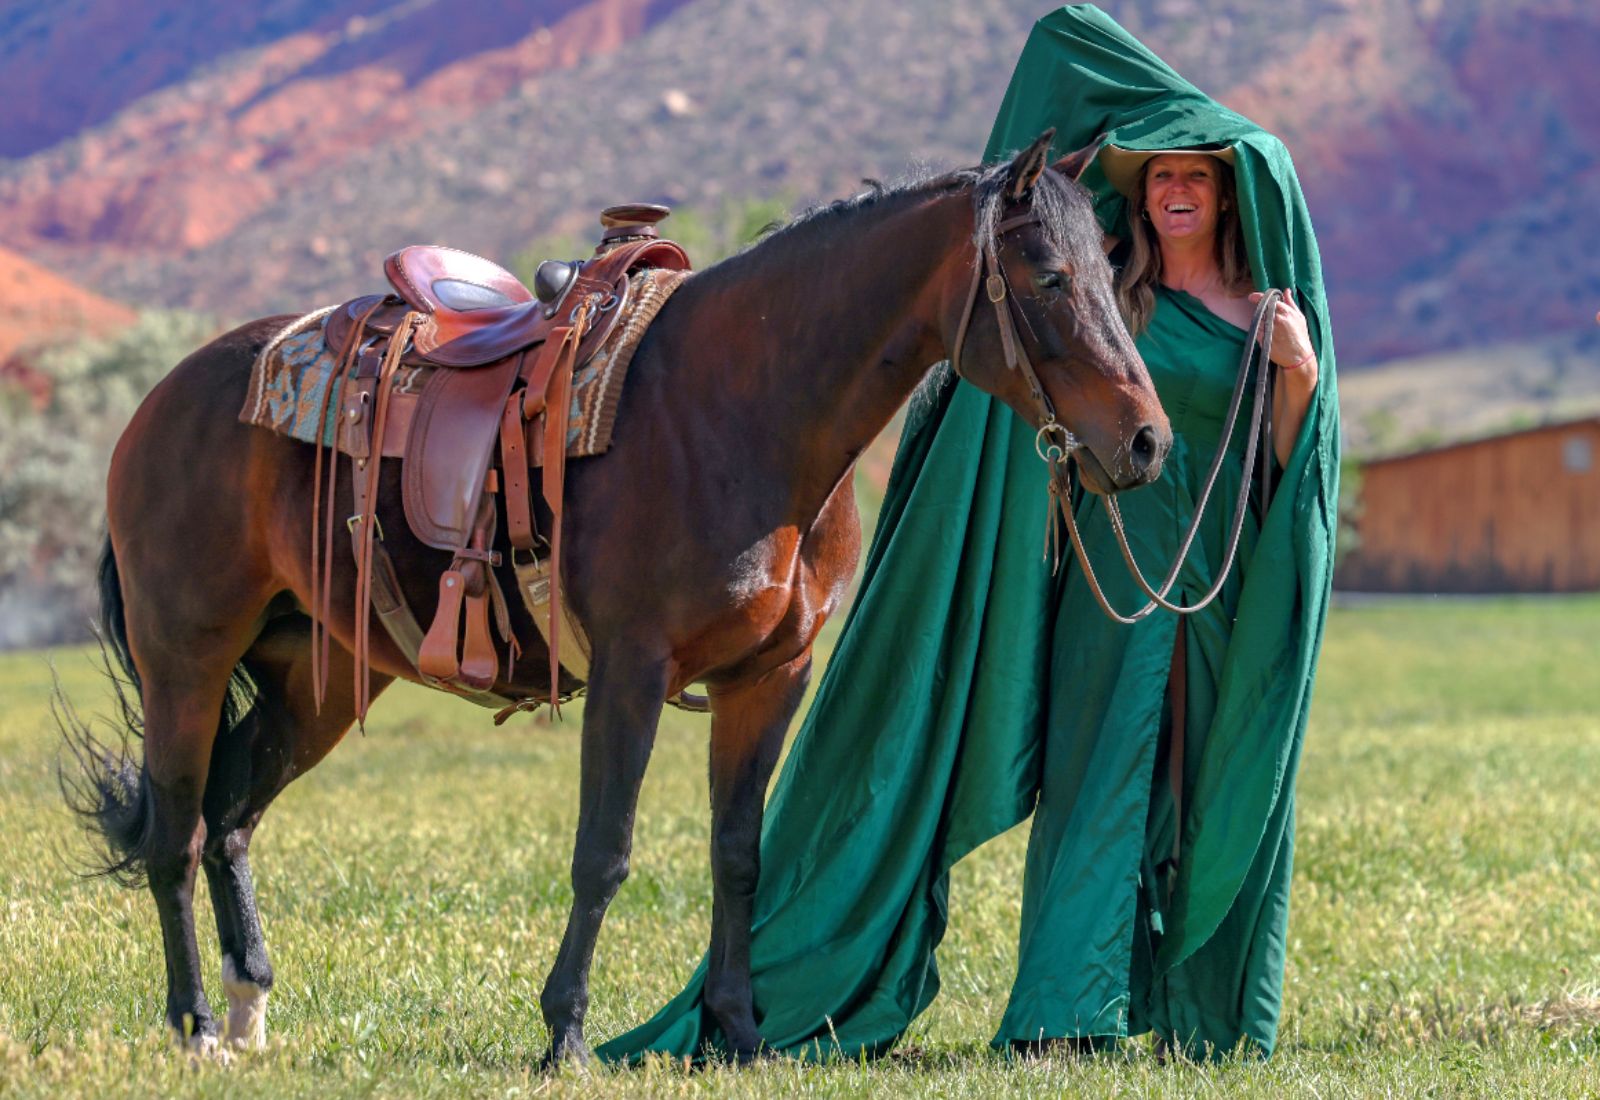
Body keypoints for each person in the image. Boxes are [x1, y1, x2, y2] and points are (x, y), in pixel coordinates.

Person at [600, 5, 1339, 1062]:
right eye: (1159, 177)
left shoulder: (1268, 312)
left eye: (1196, 177)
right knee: (1095, 780)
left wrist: (1299, 371)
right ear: (1140, 192)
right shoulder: (1111, 299)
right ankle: (1064, 1012)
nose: (1176, 191)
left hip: (1223, 573)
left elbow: (1285, 461)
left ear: (1224, 194)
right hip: (1114, 572)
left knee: (1210, 782)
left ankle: (1206, 1018)